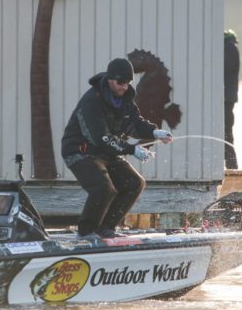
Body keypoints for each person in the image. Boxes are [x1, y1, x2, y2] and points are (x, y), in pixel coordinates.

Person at [61, 57, 173, 238]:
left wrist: (154, 132)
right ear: (110, 79)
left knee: (134, 183)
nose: (124, 87)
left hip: (106, 152)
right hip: (80, 152)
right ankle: (86, 232)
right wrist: (131, 150)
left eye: (128, 82)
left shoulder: (126, 99)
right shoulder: (92, 100)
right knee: (103, 188)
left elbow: (135, 123)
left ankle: (105, 229)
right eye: (121, 82)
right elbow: (101, 138)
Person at [223, 30, 240, 169]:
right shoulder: (231, 48)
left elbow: (224, 67)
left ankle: (232, 167)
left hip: (226, 99)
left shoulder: (230, 49)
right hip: (228, 98)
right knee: (227, 132)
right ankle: (231, 165)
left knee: (226, 132)